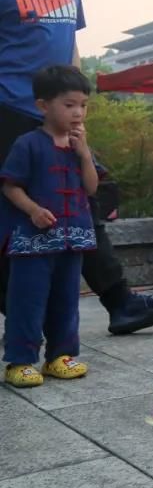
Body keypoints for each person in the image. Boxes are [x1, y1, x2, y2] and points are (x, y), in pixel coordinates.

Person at [0, 0, 153, 336]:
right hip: (11, 112)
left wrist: (78, 104)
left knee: (81, 205)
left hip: (59, 117)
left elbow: (71, 48)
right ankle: (22, 314)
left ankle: (121, 303)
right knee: (17, 213)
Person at [1, 66, 99, 388]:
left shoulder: (79, 145)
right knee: (27, 300)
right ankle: (20, 360)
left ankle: (60, 356)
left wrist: (84, 155)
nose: (78, 112)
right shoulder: (28, 144)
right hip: (34, 242)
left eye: (83, 105)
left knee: (67, 299)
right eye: (69, 105)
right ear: (44, 106)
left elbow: (92, 187)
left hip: (74, 239)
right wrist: (33, 210)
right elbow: (10, 186)